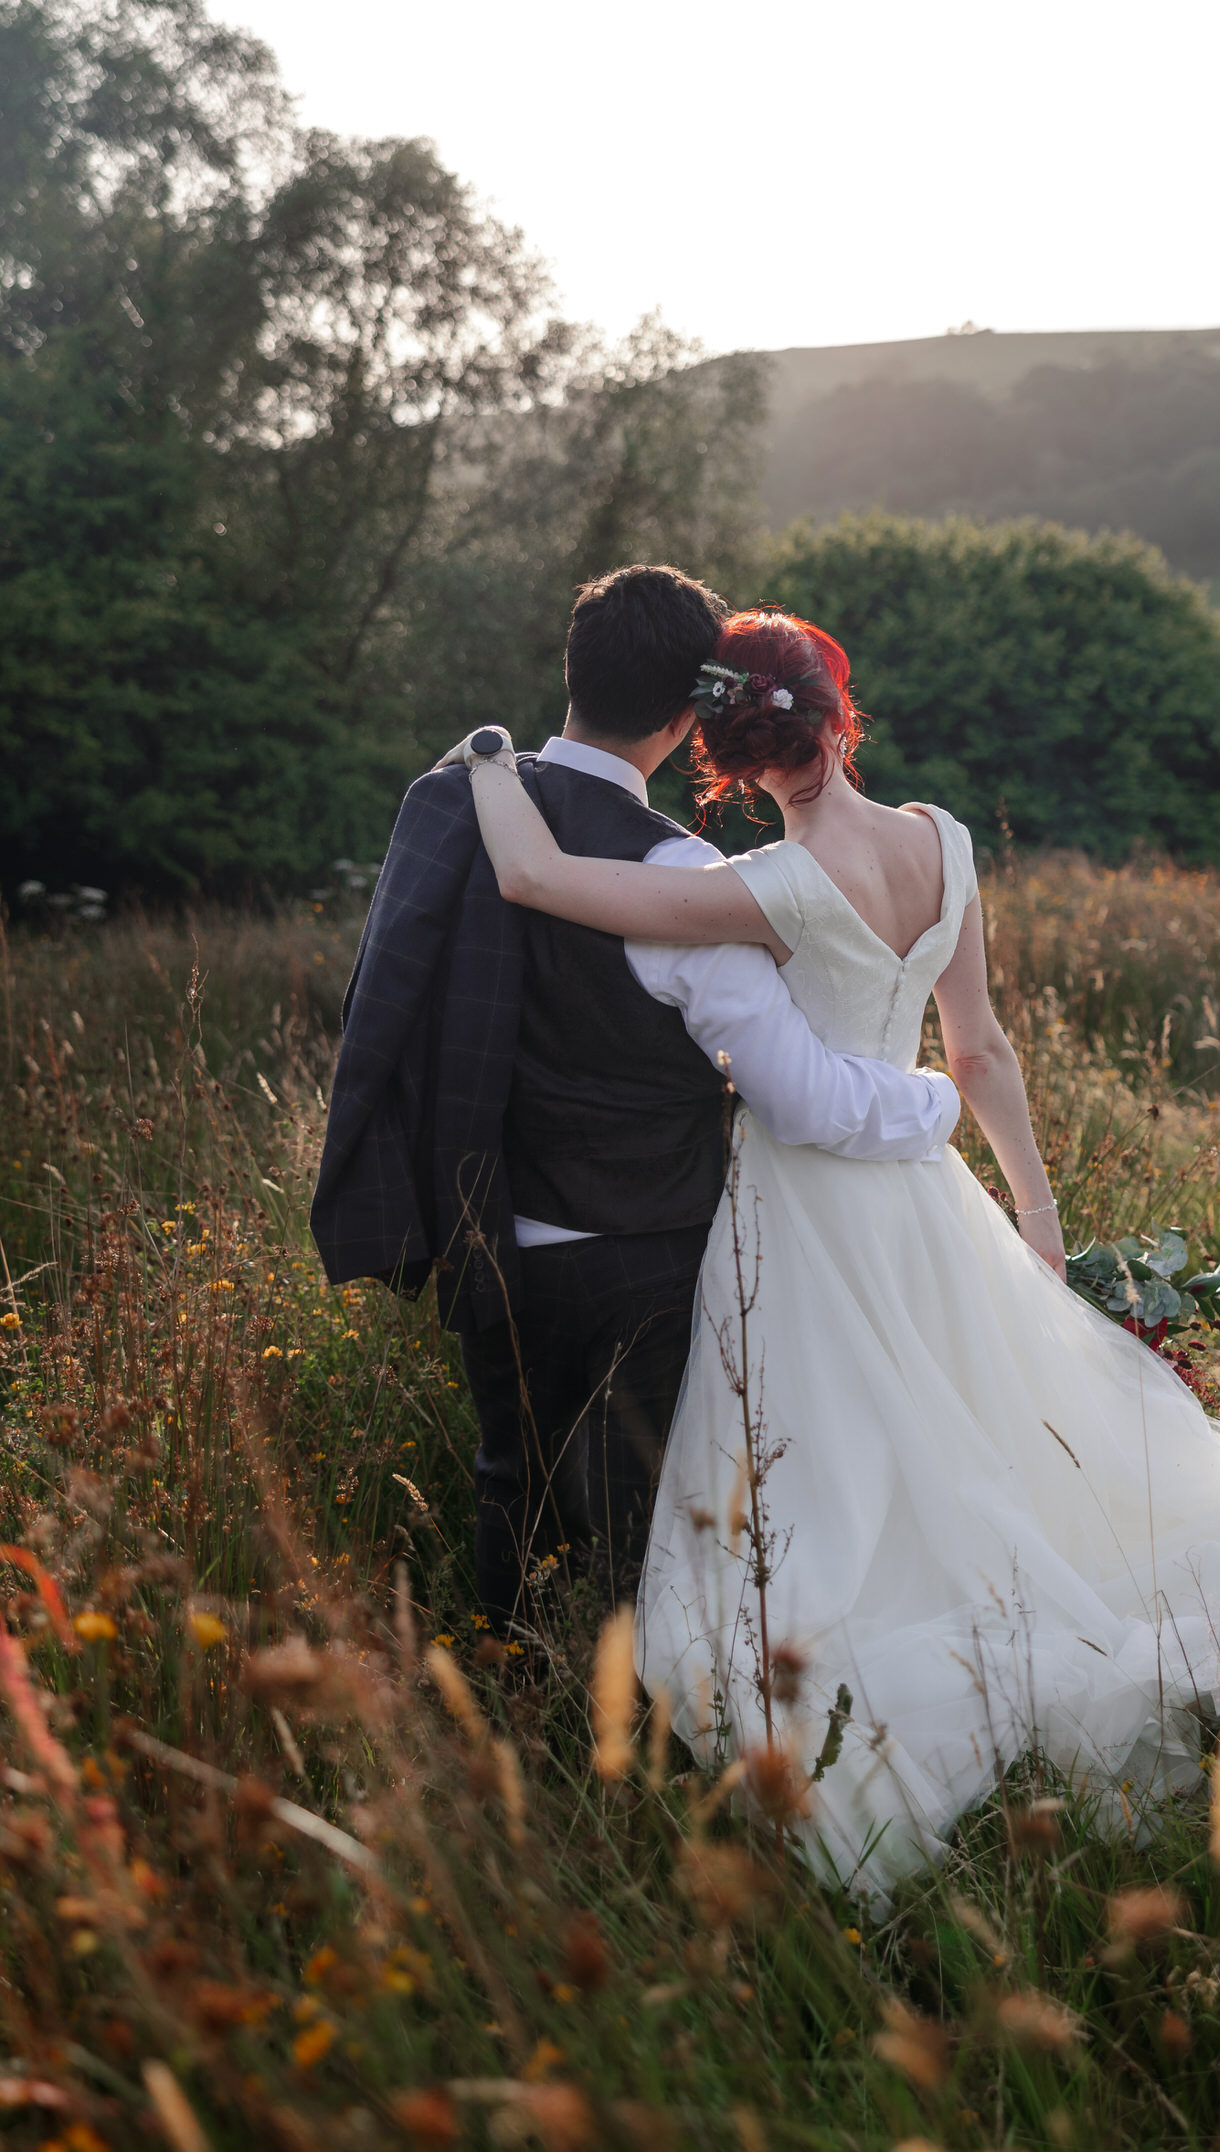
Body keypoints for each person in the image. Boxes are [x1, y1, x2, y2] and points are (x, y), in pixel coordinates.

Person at [441, 608, 1220, 1900]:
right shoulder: (946, 843)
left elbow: (536, 881)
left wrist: (493, 768)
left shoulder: (767, 891)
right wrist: (1035, 1207)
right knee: (974, 1424)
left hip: (804, 1208)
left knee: (835, 1451)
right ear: (842, 716)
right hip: (928, 1196)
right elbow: (981, 1051)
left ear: (723, 764)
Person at [314, 566, 960, 1638]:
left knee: (507, 1476)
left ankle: (516, 1685)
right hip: (645, 1242)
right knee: (633, 1511)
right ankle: (621, 1733)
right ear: (683, 715)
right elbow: (796, 1096)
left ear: (572, 674)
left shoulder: (455, 802)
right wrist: (931, 1105)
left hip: (485, 1218)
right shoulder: (683, 875)